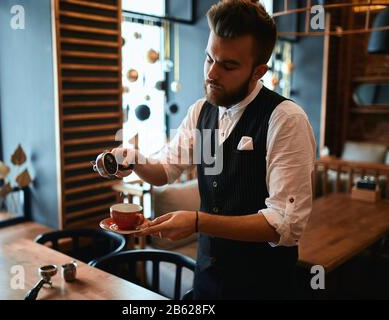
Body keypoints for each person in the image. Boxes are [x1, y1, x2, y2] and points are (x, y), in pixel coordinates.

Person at [112, 0, 316, 299]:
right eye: (209, 58)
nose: (212, 73)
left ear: (259, 70)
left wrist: (197, 222)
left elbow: (284, 224)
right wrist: (134, 159)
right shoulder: (201, 111)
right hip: (207, 277)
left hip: (262, 286)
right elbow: (165, 171)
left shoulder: (285, 119)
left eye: (228, 65)